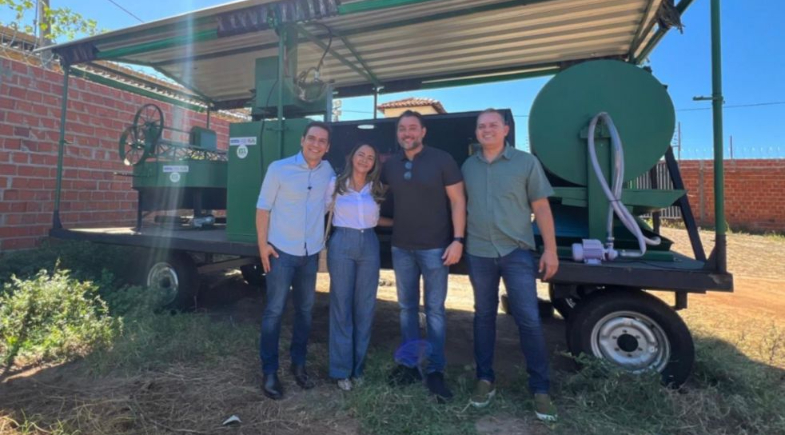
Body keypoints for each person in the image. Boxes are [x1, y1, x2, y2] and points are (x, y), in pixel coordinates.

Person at [461, 109, 559, 421]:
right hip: (479, 252)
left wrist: (550, 250)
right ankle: (484, 379)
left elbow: (541, 207)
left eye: (493, 125)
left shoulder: (525, 163)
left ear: (505, 129)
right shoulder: (468, 166)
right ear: (476, 132)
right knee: (483, 317)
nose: (487, 130)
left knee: (528, 319)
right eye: (481, 126)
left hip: (516, 252)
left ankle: (540, 389)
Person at [381, 110, 466, 402]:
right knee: (406, 309)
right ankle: (409, 367)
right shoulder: (391, 165)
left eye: (412, 128)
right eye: (402, 129)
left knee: (435, 311)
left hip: (435, 248)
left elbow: (458, 201)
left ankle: (435, 371)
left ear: (423, 131)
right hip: (401, 247)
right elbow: (375, 196)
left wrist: (457, 240)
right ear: (398, 134)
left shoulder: (442, 160)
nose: (407, 133)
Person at [255, 121, 334, 400]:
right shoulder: (279, 168)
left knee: (305, 311)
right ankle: (269, 371)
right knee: (274, 312)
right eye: (311, 138)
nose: (316, 144)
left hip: (309, 255)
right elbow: (263, 208)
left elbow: (329, 204)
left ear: (327, 147)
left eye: (322, 141)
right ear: (302, 140)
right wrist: (263, 246)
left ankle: (298, 365)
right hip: (281, 252)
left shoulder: (328, 172)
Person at [325, 143, 392, 391]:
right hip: (342, 241)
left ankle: (358, 369)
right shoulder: (335, 185)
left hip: (369, 244)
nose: (365, 159)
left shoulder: (376, 188)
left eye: (370, 157)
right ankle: (341, 370)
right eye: (361, 154)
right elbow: (320, 210)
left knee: (365, 306)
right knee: (341, 305)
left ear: (375, 163)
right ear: (352, 157)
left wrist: (400, 223)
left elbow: (375, 218)